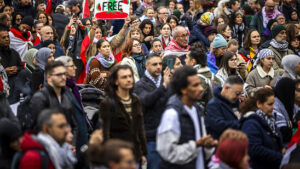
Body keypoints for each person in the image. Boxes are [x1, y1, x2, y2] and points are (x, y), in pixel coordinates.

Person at [157, 66, 218, 169]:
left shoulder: (197, 109)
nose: (201, 89)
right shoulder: (172, 114)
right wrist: (196, 145)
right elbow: (168, 153)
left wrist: (207, 146)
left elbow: (202, 146)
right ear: (183, 90)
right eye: (195, 85)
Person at [99, 65, 147, 165]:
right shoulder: (108, 103)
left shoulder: (135, 100)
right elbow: (105, 133)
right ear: (116, 81)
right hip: (117, 156)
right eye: (124, 77)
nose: (129, 79)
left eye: (130, 76)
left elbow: (140, 128)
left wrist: (143, 152)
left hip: (135, 154)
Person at [134, 54, 172, 169]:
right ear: (146, 66)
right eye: (154, 64)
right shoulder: (140, 85)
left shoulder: (165, 82)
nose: (158, 67)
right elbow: (146, 101)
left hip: (167, 136)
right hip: (150, 137)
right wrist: (164, 86)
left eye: (160, 64)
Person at [240, 88, 283, 169]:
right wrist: (279, 157)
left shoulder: (270, 120)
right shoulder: (251, 124)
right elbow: (254, 149)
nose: (273, 107)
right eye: (270, 104)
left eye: (273, 104)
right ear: (259, 104)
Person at [55, 56, 89, 152]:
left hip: (79, 133)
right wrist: (71, 143)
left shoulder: (72, 85)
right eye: (72, 66)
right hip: (71, 139)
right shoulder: (62, 90)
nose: (75, 68)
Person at [29, 61, 75, 131]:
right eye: (59, 74)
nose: (63, 77)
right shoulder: (40, 98)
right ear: (49, 77)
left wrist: (71, 140)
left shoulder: (67, 96)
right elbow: (38, 128)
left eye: (64, 74)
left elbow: (74, 125)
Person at [185, 42, 214, 106]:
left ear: (193, 62)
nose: (185, 60)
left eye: (186, 57)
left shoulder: (196, 81)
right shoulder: (214, 76)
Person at [0, 24, 23, 103]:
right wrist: (3, 72)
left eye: (8, 37)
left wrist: (17, 69)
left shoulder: (14, 53)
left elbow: (21, 67)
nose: (7, 39)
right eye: (4, 37)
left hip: (15, 86)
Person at [273, 78, 298, 146]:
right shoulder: (274, 105)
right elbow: (283, 132)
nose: (295, 93)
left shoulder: (291, 103)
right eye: (293, 90)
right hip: (282, 146)